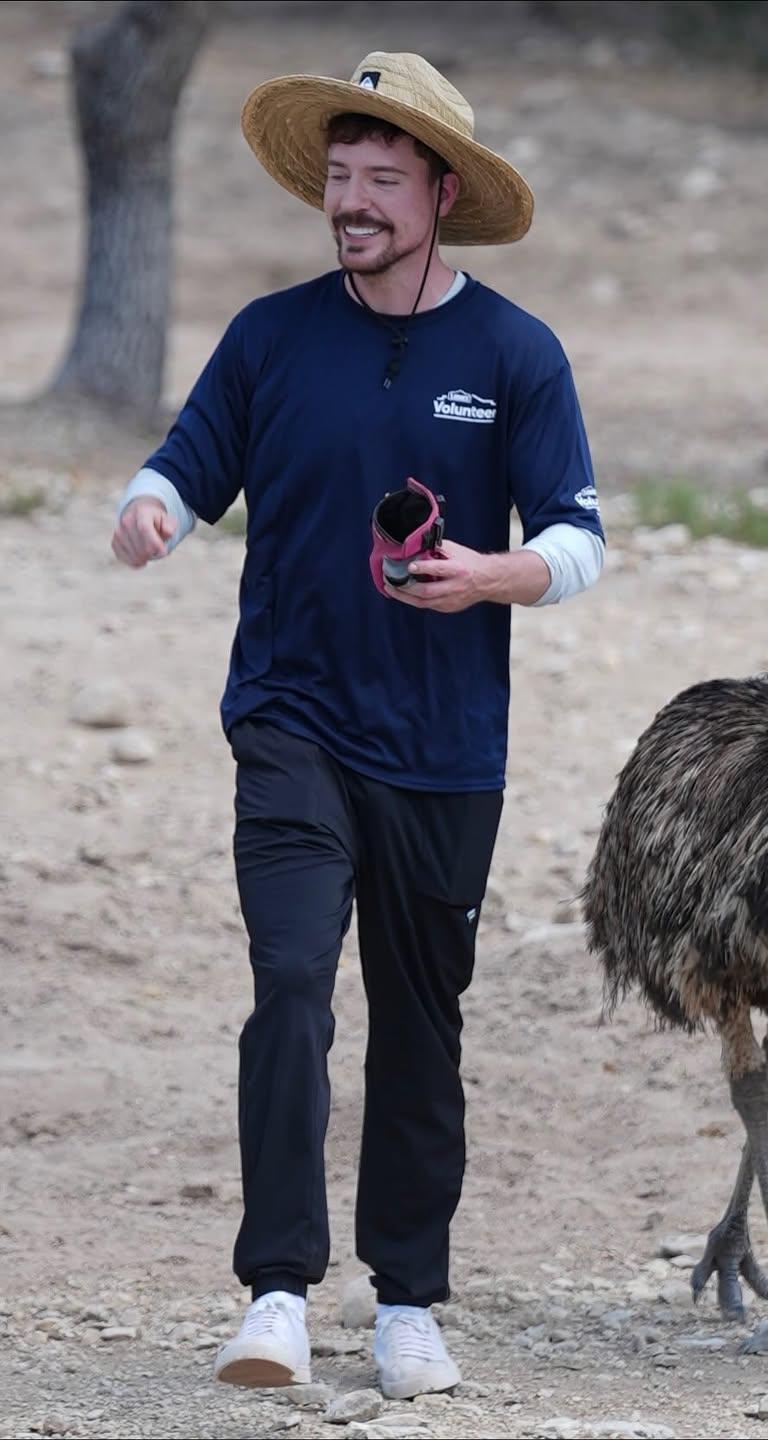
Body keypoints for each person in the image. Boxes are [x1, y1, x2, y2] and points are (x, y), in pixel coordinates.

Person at [111, 51, 604, 1400]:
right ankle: (274, 1292)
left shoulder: (515, 353)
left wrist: (489, 575)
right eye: (340, 180)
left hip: (448, 748)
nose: (355, 203)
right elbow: (187, 458)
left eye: (383, 180)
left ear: (442, 194)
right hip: (291, 719)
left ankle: (406, 1306)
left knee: (422, 1022)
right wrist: (151, 505)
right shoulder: (271, 335)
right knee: (288, 982)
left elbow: (579, 539)